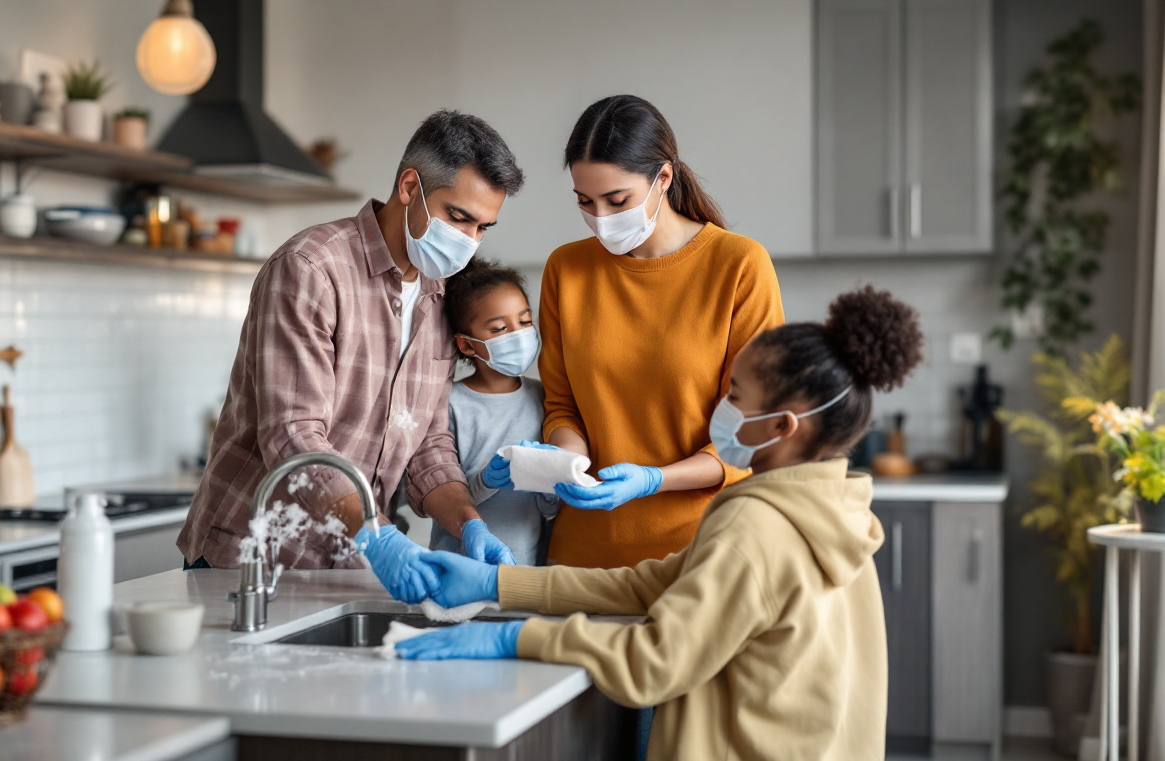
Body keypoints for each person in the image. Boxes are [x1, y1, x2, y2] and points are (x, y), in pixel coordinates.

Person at [391, 286, 926, 761]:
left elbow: (656, 661)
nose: (723, 406)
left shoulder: (756, 525)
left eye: (736, 395)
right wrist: (497, 585)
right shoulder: (832, 509)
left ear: (783, 426)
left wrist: (518, 638)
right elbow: (651, 584)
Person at [176, 111, 525, 600]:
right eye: (458, 217)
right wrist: (379, 536)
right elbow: (293, 437)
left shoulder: (440, 293)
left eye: (483, 228)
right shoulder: (311, 269)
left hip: (351, 565)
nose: (468, 242)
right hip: (255, 563)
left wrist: (470, 523)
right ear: (409, 186)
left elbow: (428, 441)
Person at [537, 94, 785, 568]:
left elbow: (752, 432)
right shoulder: (565, 269)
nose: (601, 219)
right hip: (583, 558)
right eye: (585, 202)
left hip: (702, 556)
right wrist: (563, 462)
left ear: (663, 179)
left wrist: (654, 479)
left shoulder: (739, 266)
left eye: (617, 200)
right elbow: (562, 405)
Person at [430, 258, 559, 566]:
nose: (518, 334)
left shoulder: (544, 397)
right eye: (500, 328)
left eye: (525, 322)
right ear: (466, 345)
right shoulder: (450, 404)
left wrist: (553, 488)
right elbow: (437, 496)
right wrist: (486, 480)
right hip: (461, 565)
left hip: (527, 568)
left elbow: (546, 510)